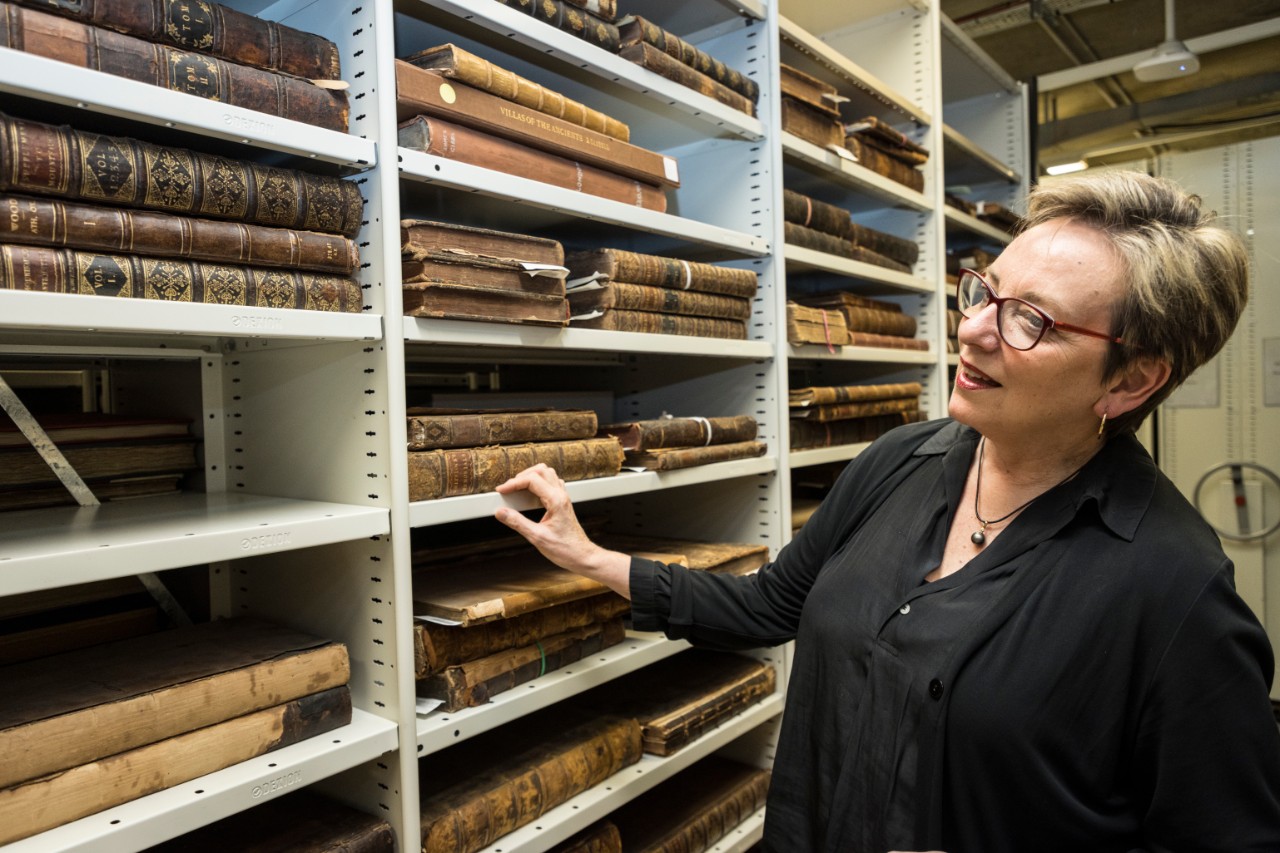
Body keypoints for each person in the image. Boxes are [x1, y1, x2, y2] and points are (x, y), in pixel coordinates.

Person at [493, 170, 1280, 852]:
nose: (971, 330)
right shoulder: (902, 460)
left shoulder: (1176, 590)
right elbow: (772, 604)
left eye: (1029, 320)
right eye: (985, 291)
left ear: (1130, 381)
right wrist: (592, 557)